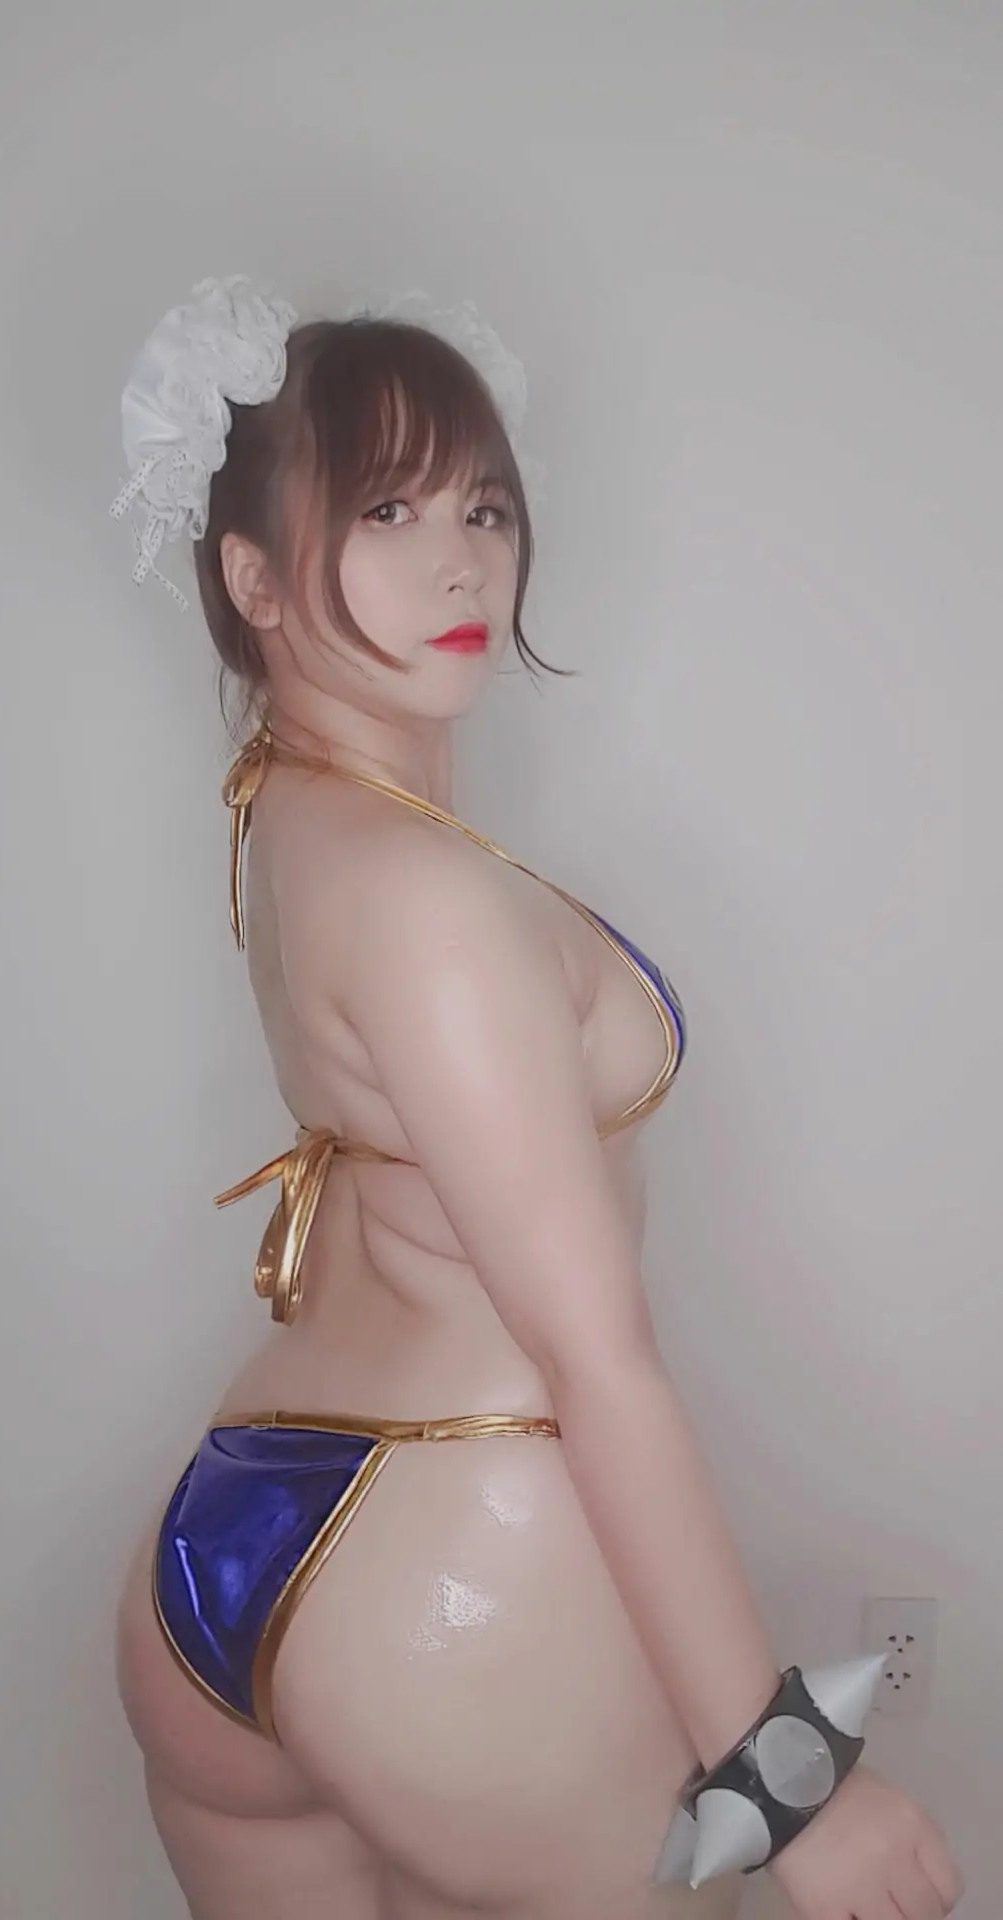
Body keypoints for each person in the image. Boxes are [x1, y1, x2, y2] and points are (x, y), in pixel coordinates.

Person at [112, 278, 964, 1920]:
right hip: (440, 1560)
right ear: (251, 577)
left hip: (234, 1536)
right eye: (388, 510)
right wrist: (789, 1786)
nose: (462, 563)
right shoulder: (428, 897)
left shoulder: (290, 812)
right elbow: (596, 1360)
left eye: (485, 507)